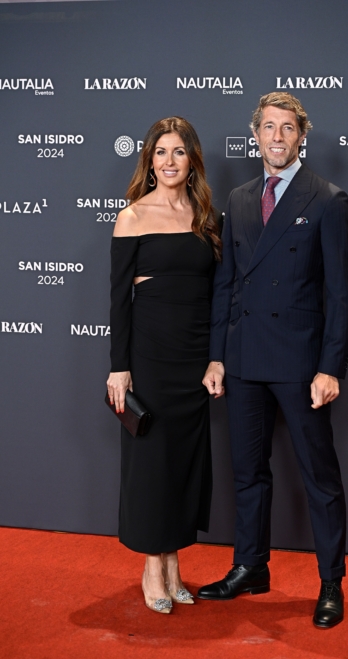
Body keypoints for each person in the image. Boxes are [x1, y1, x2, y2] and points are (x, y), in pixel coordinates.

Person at [198, 92, 348, 629]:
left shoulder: (327, 199)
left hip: (301, 361)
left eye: (287, 128)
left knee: (319, 476)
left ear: (300, 135)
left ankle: (330, 582)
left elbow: (341, 294)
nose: (277, 137)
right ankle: (250, 566)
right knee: (248, 473)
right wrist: (217, 356)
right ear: (256, 135)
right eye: (268, 127)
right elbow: (225, 286)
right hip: (242, 360)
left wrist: (330, 367)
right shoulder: (240, 198)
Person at [106, 117, 222, 614]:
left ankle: (174, 563)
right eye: (160, 153)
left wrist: (215, 357)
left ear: (192, 159)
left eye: (178, 152)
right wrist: (119, 367)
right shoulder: (132, 216)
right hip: (150, 357)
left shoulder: (204, 217)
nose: (169, 161)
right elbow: (119, 302)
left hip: (194, 358)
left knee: (184, 462)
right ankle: (151, 567)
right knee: (152, 463)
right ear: (148, 161)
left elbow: (219, 294)